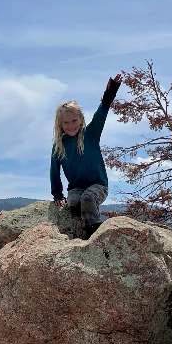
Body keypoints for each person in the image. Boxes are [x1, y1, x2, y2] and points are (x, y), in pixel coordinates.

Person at [50, 75, 122, 238]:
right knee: (74, 204)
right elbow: (54, 170)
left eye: (74, 120)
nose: (70, 125)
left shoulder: (90, 134)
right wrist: (57, 194)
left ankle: (95, 233)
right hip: (76, 188)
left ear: (81, 119)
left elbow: (103, 110)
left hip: (98, 185)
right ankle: (84, 224)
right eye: (66, 123)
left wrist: (111, 90)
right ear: (59, 124)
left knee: (88, 198)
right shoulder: (59, 145)